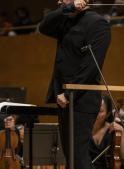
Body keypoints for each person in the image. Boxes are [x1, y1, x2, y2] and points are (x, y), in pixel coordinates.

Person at [38, 0, 111, 168]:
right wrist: (68, 6)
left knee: (78, 156)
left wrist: (70, 93)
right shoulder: (66, 20)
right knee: (71, 157)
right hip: (65, 99)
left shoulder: (97, 23)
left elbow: (91, 67)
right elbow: (43, 26)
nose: (59, 1)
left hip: (80, 99)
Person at [89, 95, 124, 169]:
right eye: (93, 109)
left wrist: (122, 132)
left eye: (100, 111)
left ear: (107, 114)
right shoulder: (83, 130)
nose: (95, 114)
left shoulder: (113, 130)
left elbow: (122, 157)